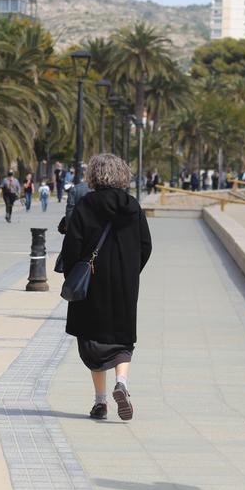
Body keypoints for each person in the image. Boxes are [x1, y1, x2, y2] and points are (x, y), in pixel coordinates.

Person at [59, 154, 152, 422]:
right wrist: (131, 272)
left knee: (92, 340)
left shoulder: (86, 205)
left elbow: (72, 246)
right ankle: (121, 382)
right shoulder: (132, 206)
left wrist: (73, 274)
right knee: (122, 338)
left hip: (92, 283)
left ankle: (100, 402)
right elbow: (146, 245)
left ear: (94, 176)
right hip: (124, 283)